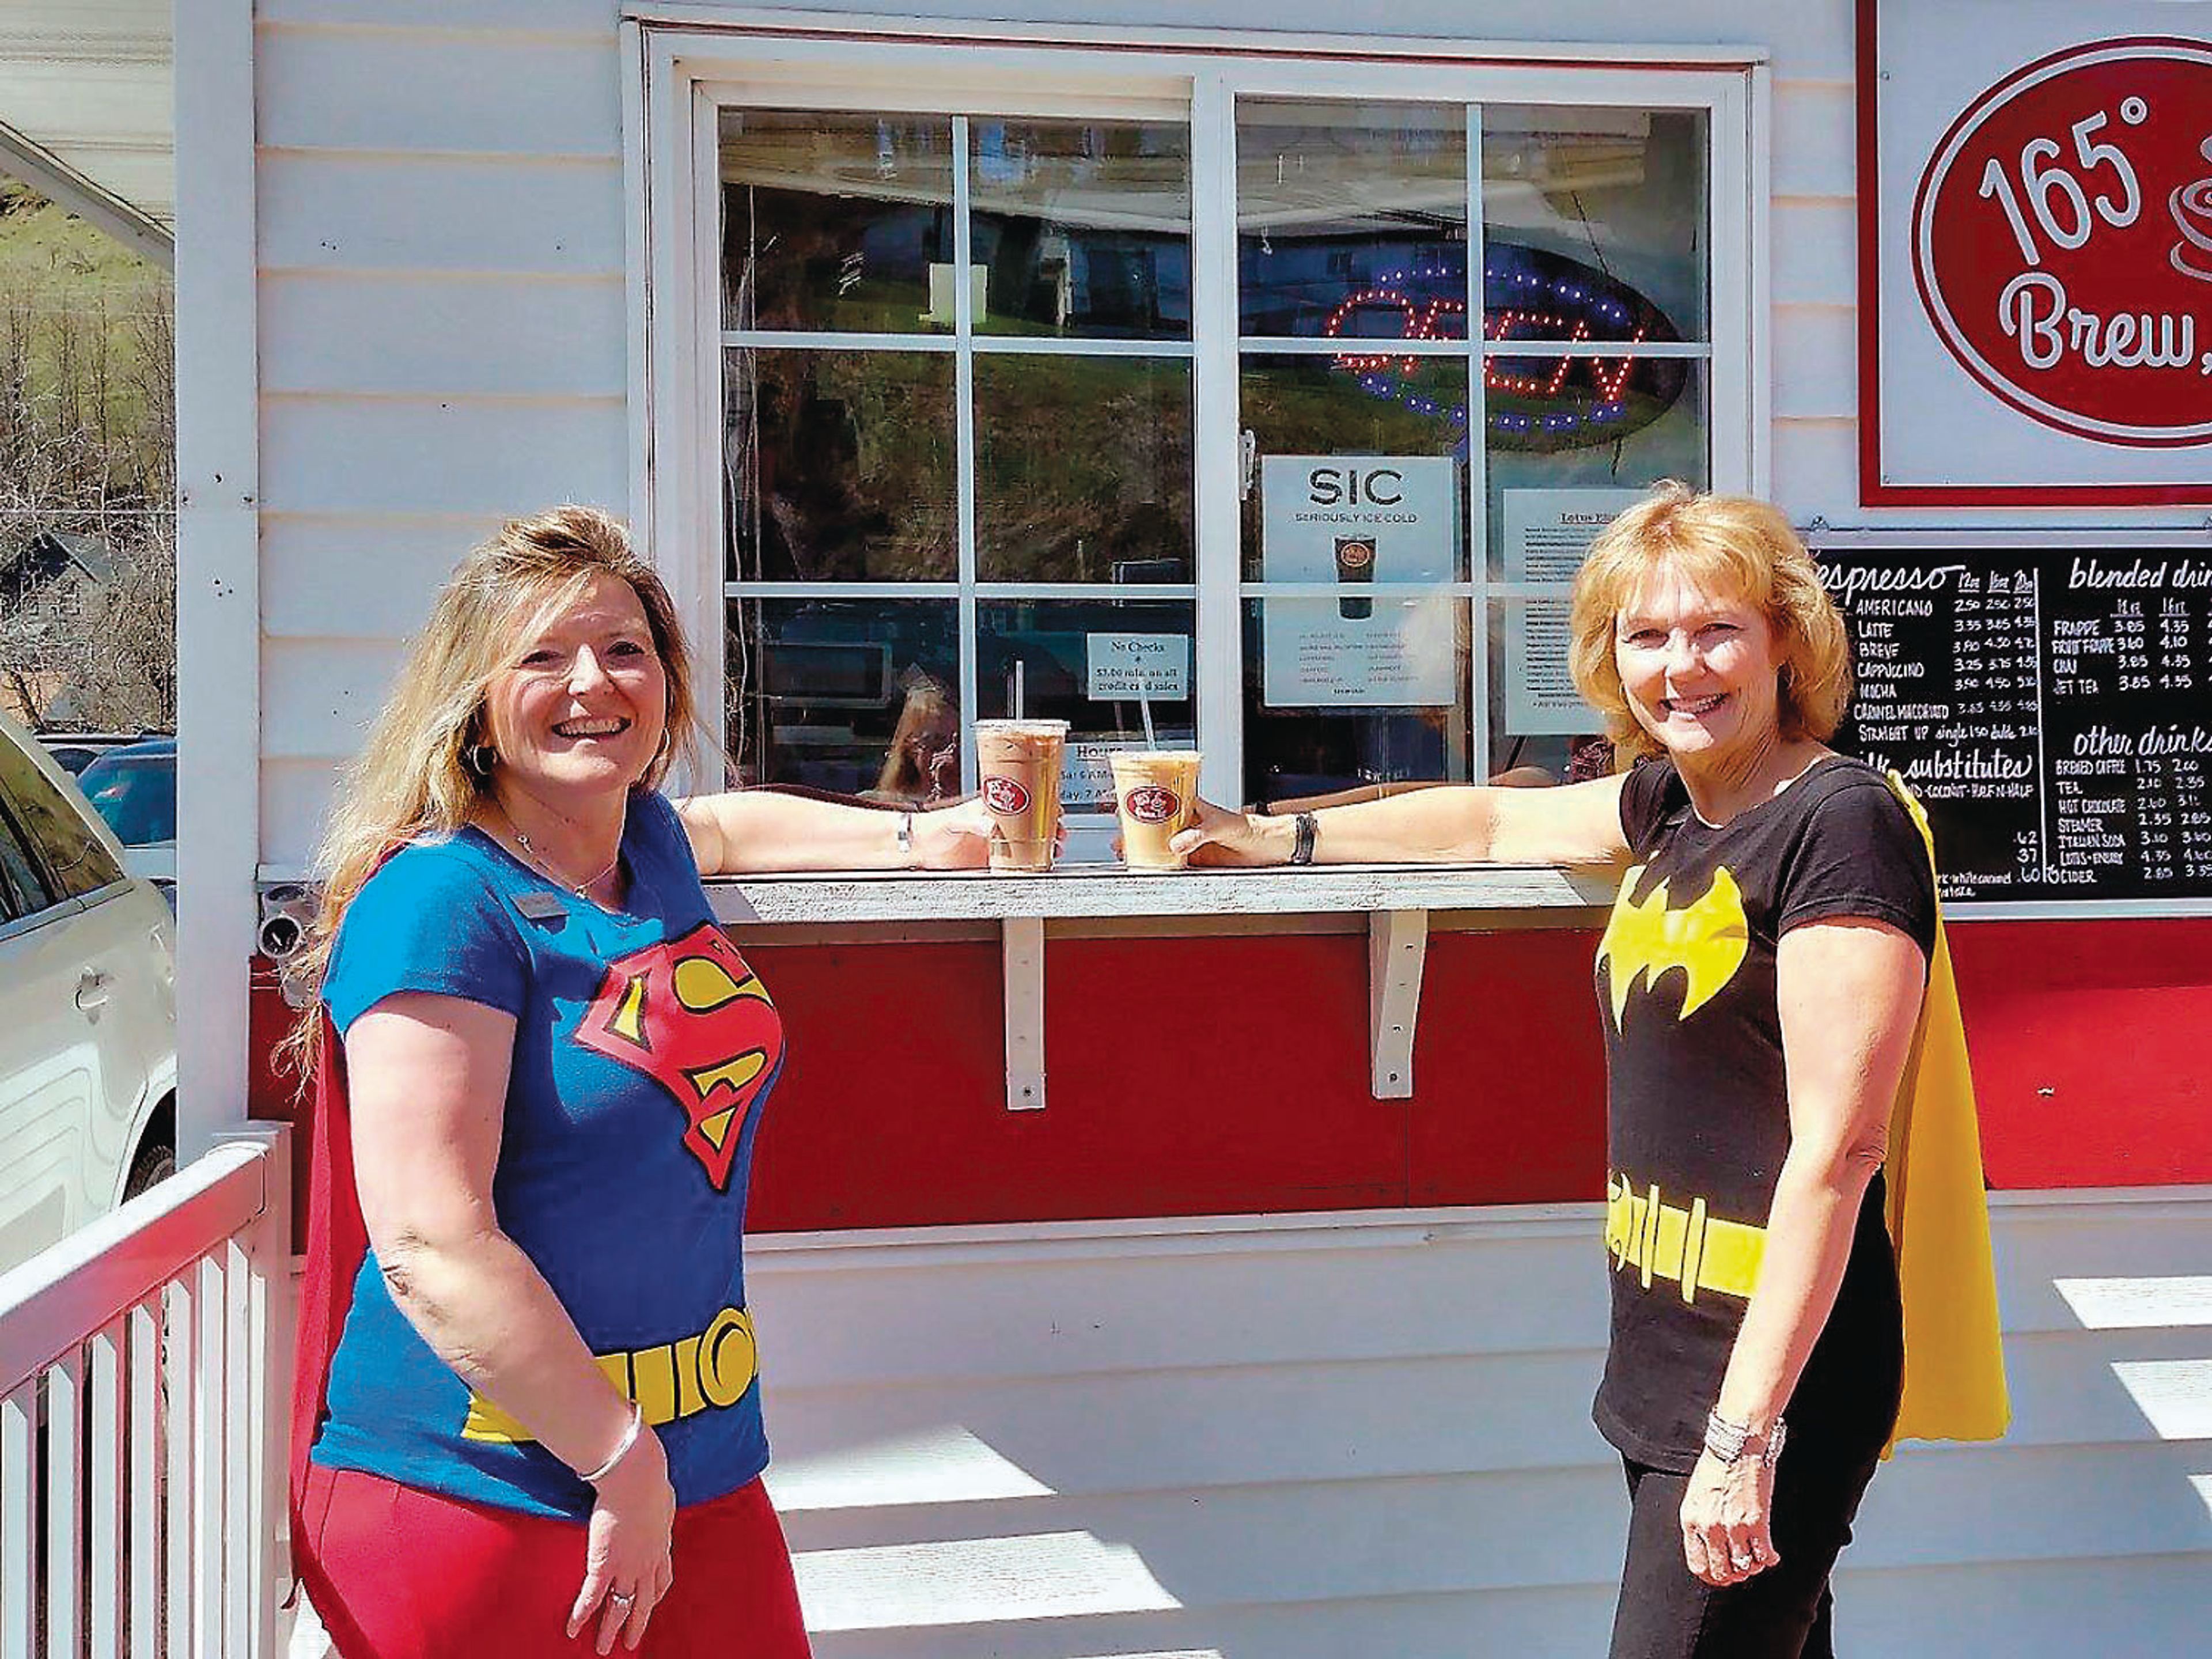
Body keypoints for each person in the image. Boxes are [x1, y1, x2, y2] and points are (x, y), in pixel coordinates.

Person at [1171, 482, 2003, 1657]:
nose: (1682, 666)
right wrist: (1280, 833)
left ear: (1786, 643)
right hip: (1664, 1351)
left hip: (1772, 1378)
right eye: (1647, 635)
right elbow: (1490, 826)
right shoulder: (1675, 803)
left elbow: (1842, 1147)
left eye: (1717, 629)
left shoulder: (1838, 824)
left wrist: (1744, 1435)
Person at [282, 505, 994, 1657]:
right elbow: (427, 1241)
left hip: (691, 1468)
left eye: (625, 649)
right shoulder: (437, 904)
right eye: (543, 655)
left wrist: (922, 838)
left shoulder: (646, 846)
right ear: (473, 696)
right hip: (485, 1488)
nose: (591, 683)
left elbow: (726, 830)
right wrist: (620, 1461)